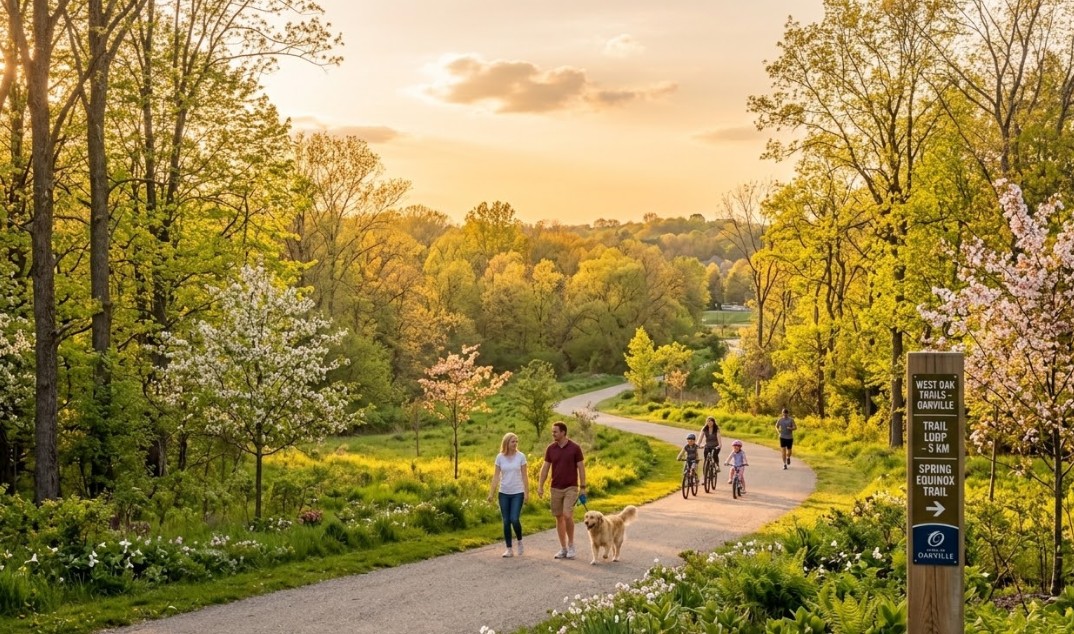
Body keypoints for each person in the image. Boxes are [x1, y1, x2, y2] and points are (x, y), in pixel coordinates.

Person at [537, 421, 586, 560]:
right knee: (559, 517)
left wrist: (583, 488)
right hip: (555, 488)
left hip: (571, 487)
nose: (553, 434)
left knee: (567, 515)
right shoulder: (551, 449)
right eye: (552, 432)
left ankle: (571, 545)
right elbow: (545, 468)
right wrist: (540, 485)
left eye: (555, 432)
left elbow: (581, 468)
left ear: (563, 432)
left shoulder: (575, 448)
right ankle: (563, 548)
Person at [488, 432, 529, 557]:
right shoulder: (500, 457)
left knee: (514, 519)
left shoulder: (521, 456)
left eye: (516, 441)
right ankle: (509, 549)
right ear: (506, 442)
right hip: (504, 493)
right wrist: (491, 493)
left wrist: (527, 493)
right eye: (513, 441)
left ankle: (520, 541)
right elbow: (496, 476)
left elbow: (524, 476)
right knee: (506, 521)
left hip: (518, 492)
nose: (515, 444)